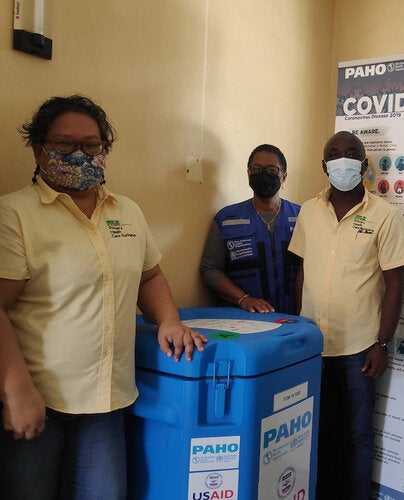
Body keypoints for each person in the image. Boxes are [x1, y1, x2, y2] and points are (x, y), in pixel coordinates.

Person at [0, 95, 207, 499]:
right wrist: (15, 391)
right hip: (40, 395)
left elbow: (150, 276)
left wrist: (167, 319)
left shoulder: (126, 211)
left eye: (91, 145)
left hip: (106, 399)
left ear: (104, 151)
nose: (79, 154)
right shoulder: (14, 215)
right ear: (40, 150)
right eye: (64, 144)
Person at [288, 131, 404, 500]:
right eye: (334, 154)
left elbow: (395, 283)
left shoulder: (385, 216)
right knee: (316, 429)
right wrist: (296, 326)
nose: (342, 160)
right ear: (323, 165)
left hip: (360, 348)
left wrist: (382, 343)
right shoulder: (308, 211)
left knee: (357, 434)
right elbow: (301, 271)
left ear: (363, 164)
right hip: (310, 345)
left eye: (351, 154)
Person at [200, 144, 300, 314]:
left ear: (283, 177)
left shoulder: (302, 217)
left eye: (271, 170)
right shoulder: (226, 218)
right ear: (248, 173)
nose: (263, 174)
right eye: (257, 169)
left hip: (290, 316)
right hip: (241, 318)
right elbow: (210, 269)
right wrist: (243, 299)